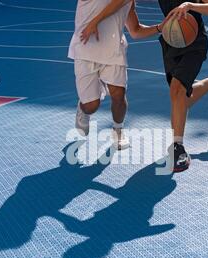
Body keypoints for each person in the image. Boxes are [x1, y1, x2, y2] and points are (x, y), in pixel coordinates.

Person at [82, 0, 208, 172]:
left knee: (177, 89)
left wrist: (190, 5)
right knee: (180, 99)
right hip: (171, 41)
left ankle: (177, 148)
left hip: (194, 42)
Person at [69, 0, 164, 150]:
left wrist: (160, 28)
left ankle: (118, 130)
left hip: (114, 51)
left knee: (119, 95)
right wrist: (95, 21)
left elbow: (135, 30)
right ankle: (83, 108)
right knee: (91, 106)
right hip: (86, 48)